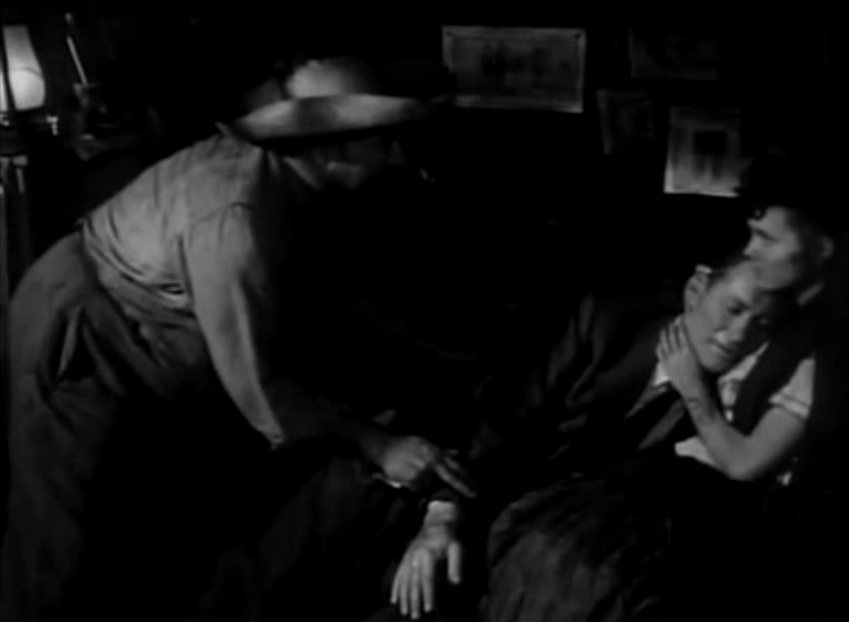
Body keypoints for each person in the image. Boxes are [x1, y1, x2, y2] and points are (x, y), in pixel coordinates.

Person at [0, 55, 476, 622]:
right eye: (380, 142)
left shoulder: (296, 187)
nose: (394, 155)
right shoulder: (236, 222)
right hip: (81, 338)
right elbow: (263, 394)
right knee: (64, 544)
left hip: (149, 340)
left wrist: (440, 352)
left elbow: (330, 296)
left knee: (138, 540)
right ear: (328, 149)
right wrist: (379, 446)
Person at [387, 256, 813, 621]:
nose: (738, 336)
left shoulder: (727, 401)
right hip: (485, 505)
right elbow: (501, 422)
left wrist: (695, 391)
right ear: (697, 288)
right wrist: (442, 517)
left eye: (761, 325)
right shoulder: (603, 323)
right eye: (733, 309)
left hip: (574, 555)